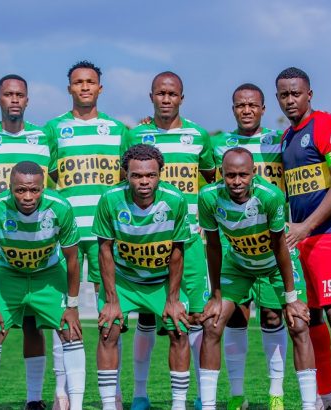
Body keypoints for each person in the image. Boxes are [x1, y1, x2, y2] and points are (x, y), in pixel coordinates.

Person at [210, 83, 306, 410]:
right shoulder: (218, 144)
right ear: (233, 109)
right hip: (236, 245)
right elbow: (210, 186)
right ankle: (237, 395)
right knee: (235, 317)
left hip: (273, 240)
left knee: (273, 316)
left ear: (264, 109)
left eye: (253, 105)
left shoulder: (279, 140)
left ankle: (276, 394)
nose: (247, 110)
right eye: (240, 105)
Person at [198, 147, 317, 410]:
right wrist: (215, 295)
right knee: (212, 324)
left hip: (275, 264)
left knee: (298, 324)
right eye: (230, 175)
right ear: (221, 174)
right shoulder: (208, 197)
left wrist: (291, 298)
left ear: (253, 173)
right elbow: (213, 246)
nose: (236, 181)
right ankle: (209, 405)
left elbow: (280, 246)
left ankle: (305, 404)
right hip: (238, 264)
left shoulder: (270, 196)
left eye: (243, 175)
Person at [276, 67, 331, 410]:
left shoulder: (327, 126)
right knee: (311, 315)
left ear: (309, 94)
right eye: (284, 95)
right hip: (302, 239)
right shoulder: (287, 137)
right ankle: (327, 394)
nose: (290, 100)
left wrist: (305, 227)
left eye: (296, 93)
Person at [123, 71, 215, 409]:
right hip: (146, 241)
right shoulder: (135, 134)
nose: (166, 99)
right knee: (147, 318)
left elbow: (210, 180)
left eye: (172, 94)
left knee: (195, 318)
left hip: (188, 241)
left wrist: (202, 220)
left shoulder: (198, 136)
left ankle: (202, 396)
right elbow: (124, 177)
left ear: (181, 98)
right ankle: (140, 394)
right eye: (160, 93)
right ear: (151, 97)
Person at [0, 74, 57, 409]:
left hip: (35, 241)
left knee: (33, 323)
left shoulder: (44, 137)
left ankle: (34, 399)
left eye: (20, 94)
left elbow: (57, 179)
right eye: (8, 94)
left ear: (27, 100)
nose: (14, 99)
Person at [45, 60, 128, 410]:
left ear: (99, 88)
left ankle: (114, 391)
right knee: (62, 310)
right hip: (66, 235)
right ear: (69, 88)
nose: (84, 87)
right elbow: (46, 177)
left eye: (90, 82)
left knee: (112, 310)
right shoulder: (53, 129)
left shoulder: (118, 130)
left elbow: (129, 177)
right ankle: (61, 391)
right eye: (78, 82)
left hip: (106, 235)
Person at [0, 161, 85, 410]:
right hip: (10, 275)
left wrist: (72, 306)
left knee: (71, 332)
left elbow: (72, 259)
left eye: (34, 190)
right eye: (21, 190)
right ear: (10, 188)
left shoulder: (60, 207)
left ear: (43, 187)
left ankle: (75, 405)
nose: (28, 197)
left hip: (48, 275)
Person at [94, 144, 192, 410]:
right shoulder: (110, 199)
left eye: (151, 175)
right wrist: (112, 300)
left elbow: (177, 252)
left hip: (161, 281)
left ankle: (179, 405)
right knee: (108, 331)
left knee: (179, 331)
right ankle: (108, 405)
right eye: (137, 175)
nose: (144, 181)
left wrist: (173, 299)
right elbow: (104, 249)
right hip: (124, 280)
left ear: (160, 174)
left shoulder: (175, 200)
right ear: (125, 174)